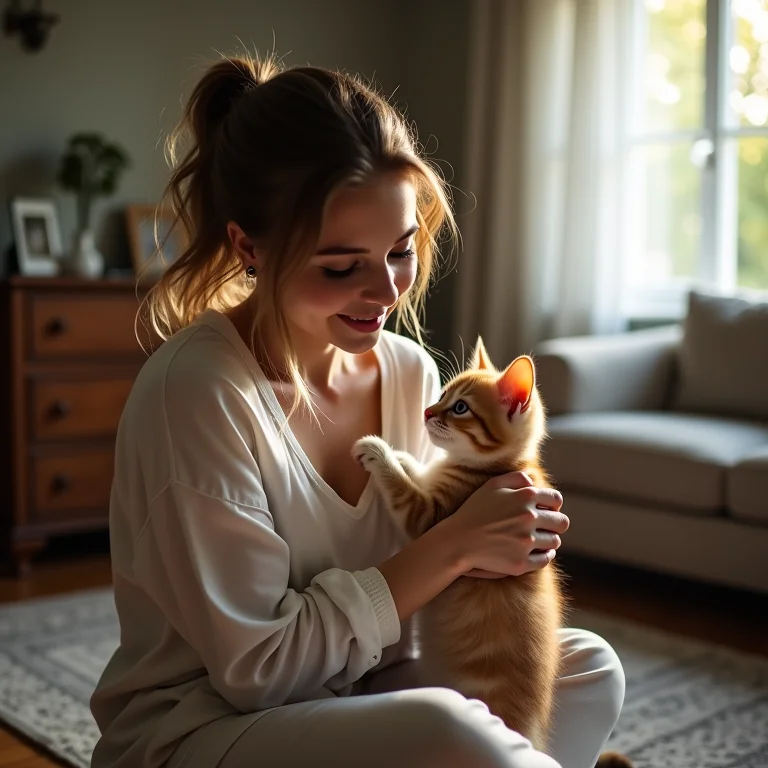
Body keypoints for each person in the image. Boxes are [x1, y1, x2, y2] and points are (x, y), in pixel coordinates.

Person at [90, 53, 625, 768]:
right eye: (342, 266)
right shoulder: (197, 393)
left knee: (587, 669)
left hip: (350, 686)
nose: (385, 292)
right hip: (203, 727)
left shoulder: (408, 373)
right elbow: (259, 672)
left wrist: (504, 543)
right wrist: (456, 544)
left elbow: (405, 622)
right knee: (453, 735)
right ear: (249, 248)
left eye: (400, 252)